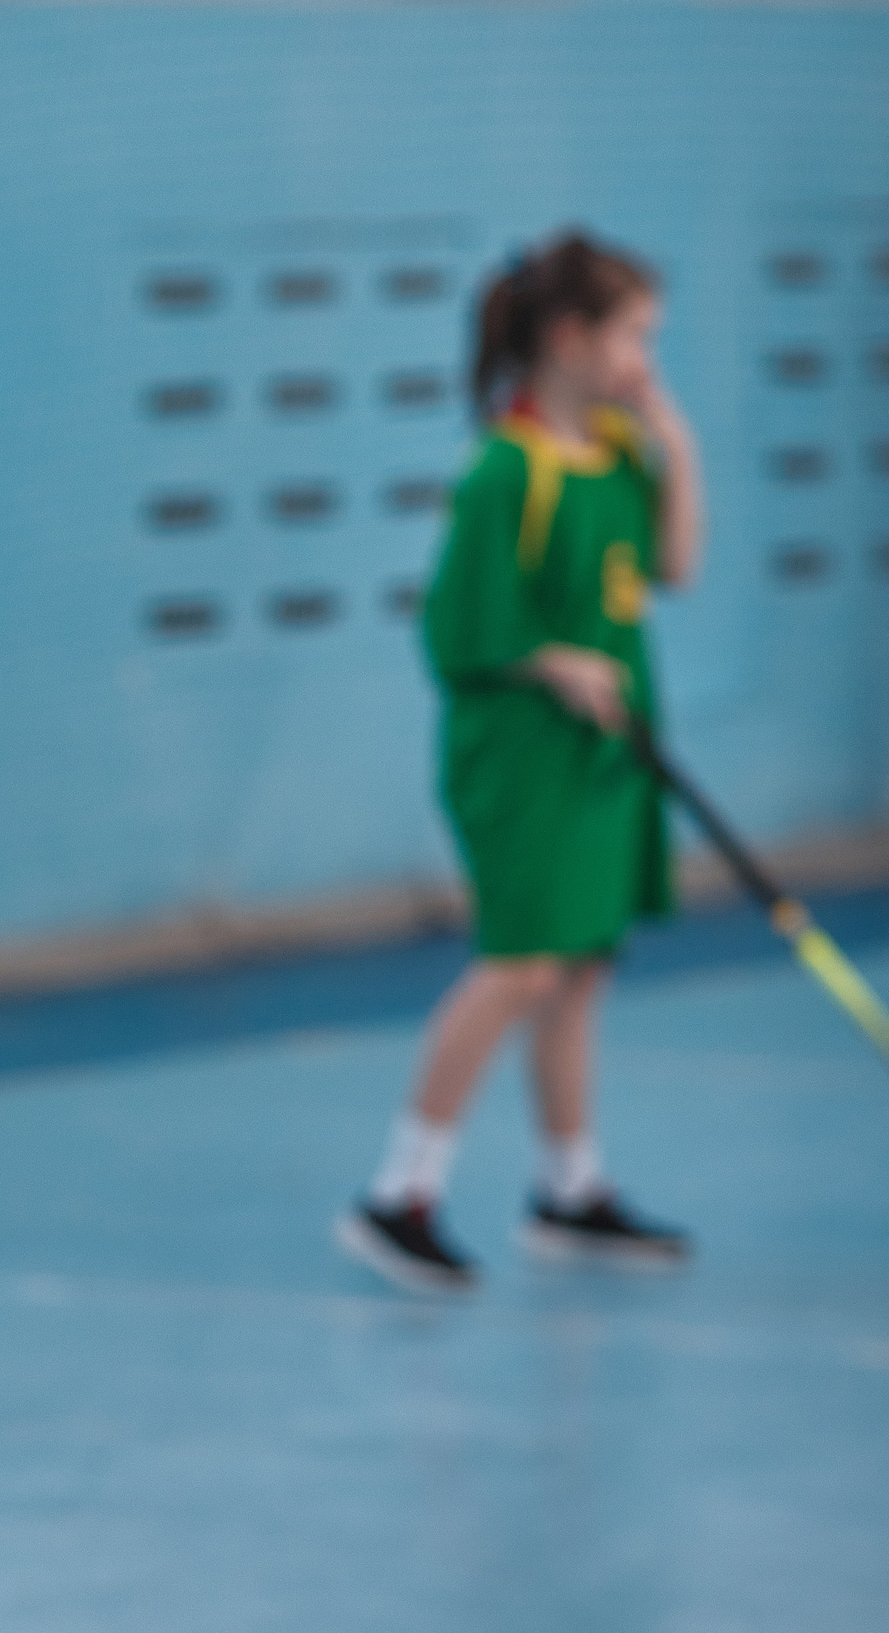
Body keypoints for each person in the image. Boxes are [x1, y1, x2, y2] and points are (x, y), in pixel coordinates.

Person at [336, 230, 705, 1297]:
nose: (646, 358)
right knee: (522, 964)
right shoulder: (506, 469)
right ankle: (400, 1193)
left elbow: (675, 565)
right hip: (522, 754)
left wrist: (677, 446)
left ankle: (569, 1187)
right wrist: (556, 662)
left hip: (605, 755)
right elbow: (454, 629)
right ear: (570, 338)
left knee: (581, 967)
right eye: (635, 335)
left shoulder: (621, 453)